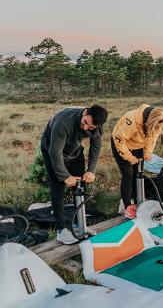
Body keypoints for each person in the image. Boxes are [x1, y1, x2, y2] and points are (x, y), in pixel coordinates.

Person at [40, 105, 108, 245]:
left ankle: (80, 224)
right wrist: (65, 176)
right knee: (57, 187)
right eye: (85, 123)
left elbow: (96, 147)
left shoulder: (96, 126)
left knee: (80, 185)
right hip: (52, 150)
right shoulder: (63, 122)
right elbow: (55, 152)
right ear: (84, 112)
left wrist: (91, 170)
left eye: (90, 127)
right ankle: (61, 231)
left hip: (74, 150)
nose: (85, 128)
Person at [112, 104, 163, 219]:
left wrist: (148, 152)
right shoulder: (131, 120)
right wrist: (128, 156)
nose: (158, 129)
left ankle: (138, 200)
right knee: (128, 173)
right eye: (156, 127)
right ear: (150, 121)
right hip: (120, 143)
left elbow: (152, 138)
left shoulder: (158, 123)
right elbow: (120, 140)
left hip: (137, 145)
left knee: (138, 173)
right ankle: (126, 205)